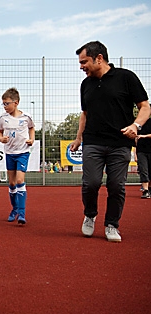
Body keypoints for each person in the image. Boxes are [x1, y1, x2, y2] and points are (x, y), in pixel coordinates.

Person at [70, 41, 150, 242]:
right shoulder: (85, 84)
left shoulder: (126, 77)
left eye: (84, 62)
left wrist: (135, 126)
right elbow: (85, 114)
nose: (81, 66)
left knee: (116, 186)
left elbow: (145, 107)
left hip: (120, 143)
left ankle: (112, 225)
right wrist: (79, 138)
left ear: (99, 58)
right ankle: (90, 215)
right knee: (91, 183)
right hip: (93, 142)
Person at [0, 88, 35, 225]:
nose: (5, 106)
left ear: (16, 102)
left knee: (20, 181)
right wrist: (1, 139)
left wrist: (32, 139)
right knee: (12, 183)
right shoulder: (2, 118)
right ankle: (14, 209)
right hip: (9, 153)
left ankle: (22, 213)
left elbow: (32, 128)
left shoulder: (26, 117)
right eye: (3, 104)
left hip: (23, 152)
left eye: (7, 103)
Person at [136, 117, 151, 199]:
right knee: (143, 170)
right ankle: (145, 190)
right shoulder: (137, 123)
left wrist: (144, 136)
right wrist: (135, 152)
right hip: (141, 150)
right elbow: (135, 137)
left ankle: (149, 188)